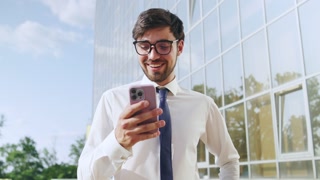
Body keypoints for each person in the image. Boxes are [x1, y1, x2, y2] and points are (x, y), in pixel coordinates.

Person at [77, 8, 240, 180]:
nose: (153, 56)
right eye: (144, 46)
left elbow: (229, 161)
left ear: (180, 47)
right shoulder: (112, 100)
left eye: (163, 46)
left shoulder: (203, 104)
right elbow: (85, 176)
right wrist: (117, 142)